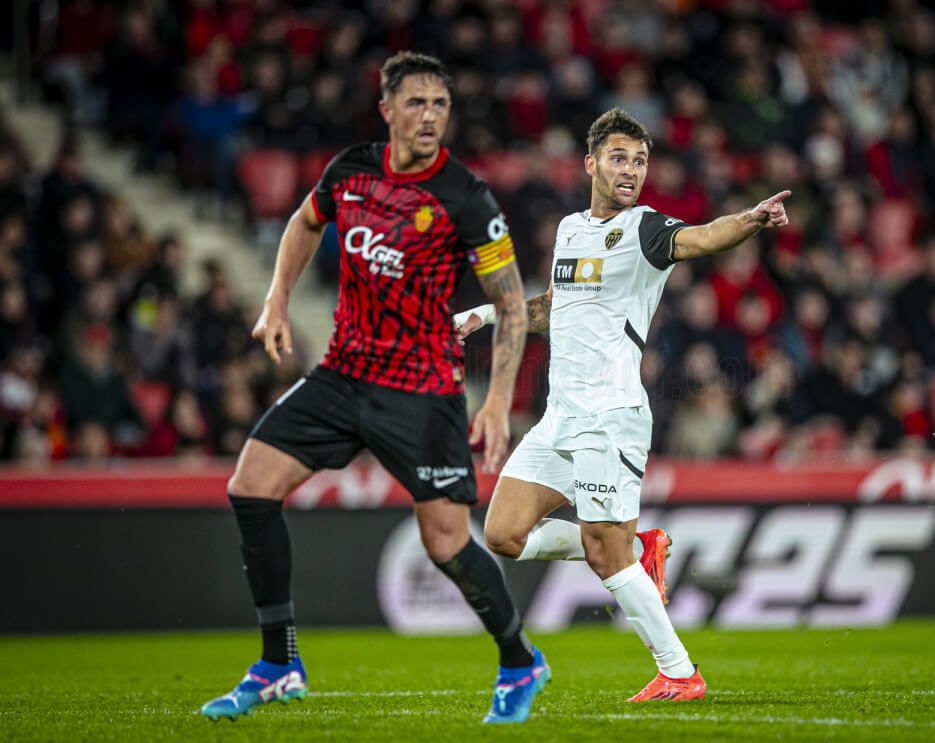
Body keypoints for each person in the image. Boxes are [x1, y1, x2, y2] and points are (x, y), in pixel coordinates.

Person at [200, 52, 548, 725]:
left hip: (421, 389)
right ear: (386, 110)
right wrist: (276, 300)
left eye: (440, 105)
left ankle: (518, 658)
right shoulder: (350, 171)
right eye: (415, 103)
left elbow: (509, 305)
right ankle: (278, 663)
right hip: (342, 373)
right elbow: (305, 222)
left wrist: (499, 400)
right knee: (250, 485)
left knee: (446, 542)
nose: (429, 116)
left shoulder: (467, 197)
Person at [456, 108, 790, 701]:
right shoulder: (569, 230)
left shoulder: (646, 229)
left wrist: (751, 220)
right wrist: (480, 316)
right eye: (619, 158)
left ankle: (680, 673)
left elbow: (704, 237)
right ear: (591, 164)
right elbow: (556, 306)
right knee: (502, 532)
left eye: (639, 160)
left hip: (611, 416)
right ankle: (640, 548)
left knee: (601, 553)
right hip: (561, 416)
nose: (631, 170)